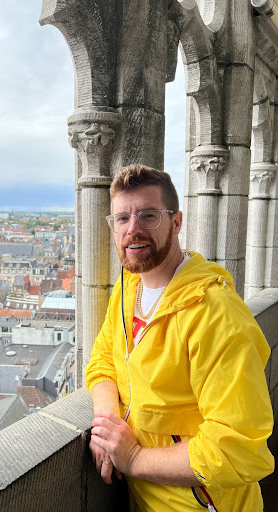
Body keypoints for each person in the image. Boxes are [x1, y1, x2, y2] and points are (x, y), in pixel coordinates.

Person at [85, 164, 274, 512]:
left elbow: (239, 450)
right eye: (121, 219)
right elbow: (102, 362)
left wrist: (134, 459)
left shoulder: (217, 315)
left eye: (148, 216)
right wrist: (108, 426)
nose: (133, 229)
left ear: (176, 222)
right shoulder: (128, 288)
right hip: (144, 500)